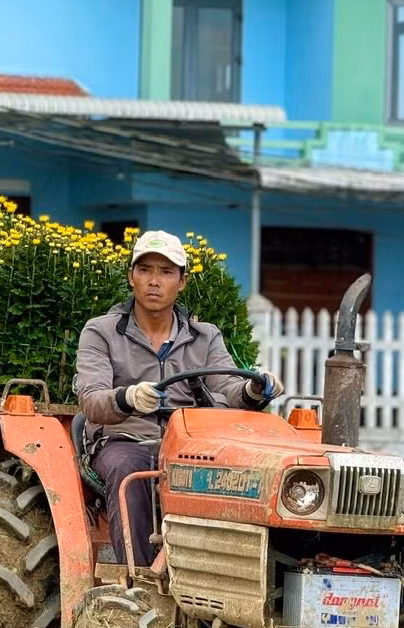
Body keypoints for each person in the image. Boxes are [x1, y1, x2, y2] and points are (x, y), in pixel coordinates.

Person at [74, 230, 281, 567]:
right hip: (126, 441)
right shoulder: (101, 331)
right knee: (129, 470)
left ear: (182, 281)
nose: (154, 281)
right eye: (145, 270)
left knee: (243, 469)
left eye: (166, 272)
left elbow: (229, 388)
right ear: (131, 276)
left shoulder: (205, 336)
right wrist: (128, 397)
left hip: (191, 447)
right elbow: (92, 399)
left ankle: (228, 573)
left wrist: (254, 390)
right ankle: (137, 578)